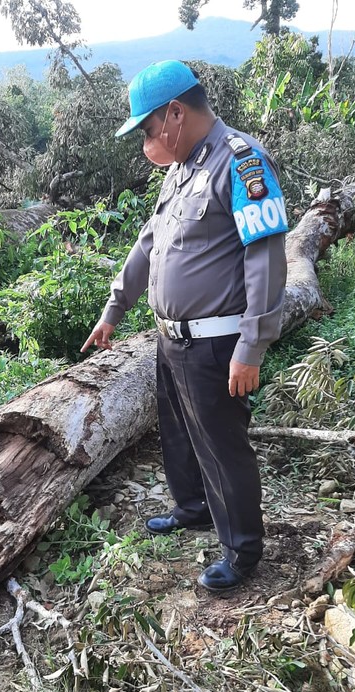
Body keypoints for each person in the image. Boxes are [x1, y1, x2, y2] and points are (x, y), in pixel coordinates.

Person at [81, 60, 288, 592]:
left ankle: (242, 551)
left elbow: (263, 258)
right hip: (171, 337)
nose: (147, 142)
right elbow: (150, 244)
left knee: (222, 446)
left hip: (218, 341)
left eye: (148, 130)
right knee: (178, 434)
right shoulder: (181, 168)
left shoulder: (240, 164)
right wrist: (114, 308)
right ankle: (193, 507)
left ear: (175, 113)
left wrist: (252, 344)